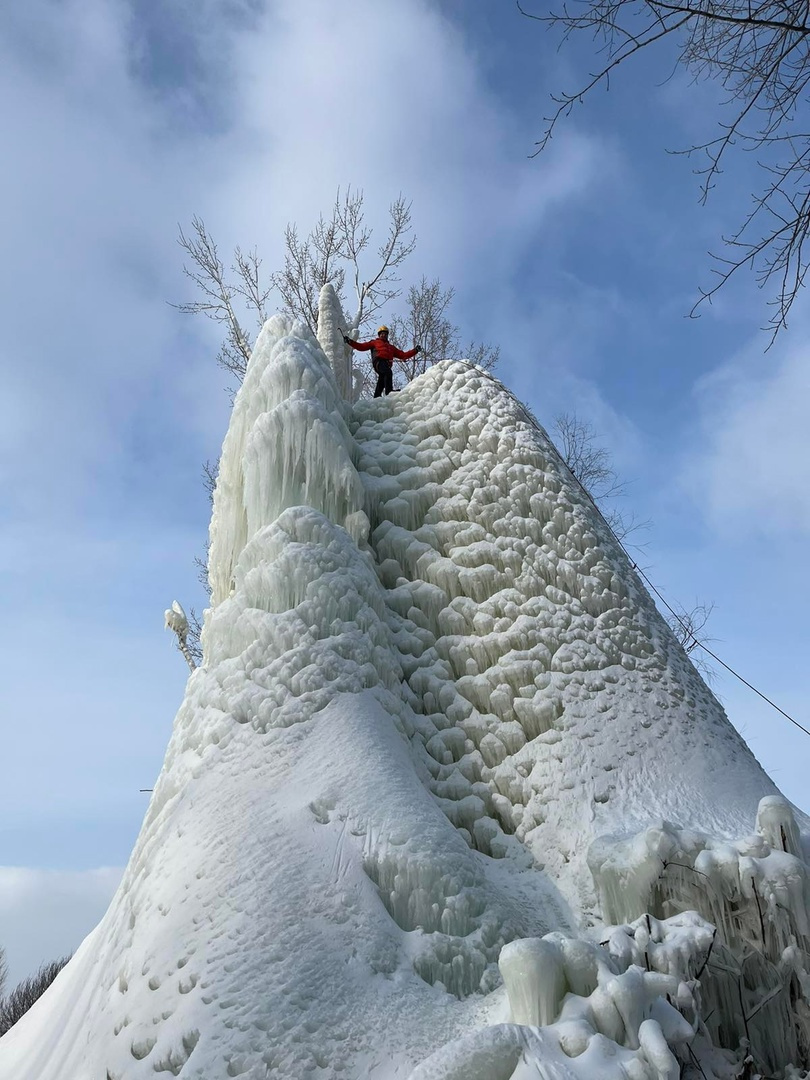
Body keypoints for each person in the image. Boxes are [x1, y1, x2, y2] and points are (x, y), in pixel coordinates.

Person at [343, 325, 421, 397]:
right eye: (381, 334)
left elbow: (403, 355)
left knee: (382, 379)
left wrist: (415, 350)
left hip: (386, 364)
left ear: (387, 335)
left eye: (385, 334)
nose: (383, 335)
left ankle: (376, 396)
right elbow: (362, 346)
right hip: (379, 361)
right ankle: (389, 391)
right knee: (388, 372)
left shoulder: (391, 347)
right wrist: (350, 341)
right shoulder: (374, 342)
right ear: (379, 335)